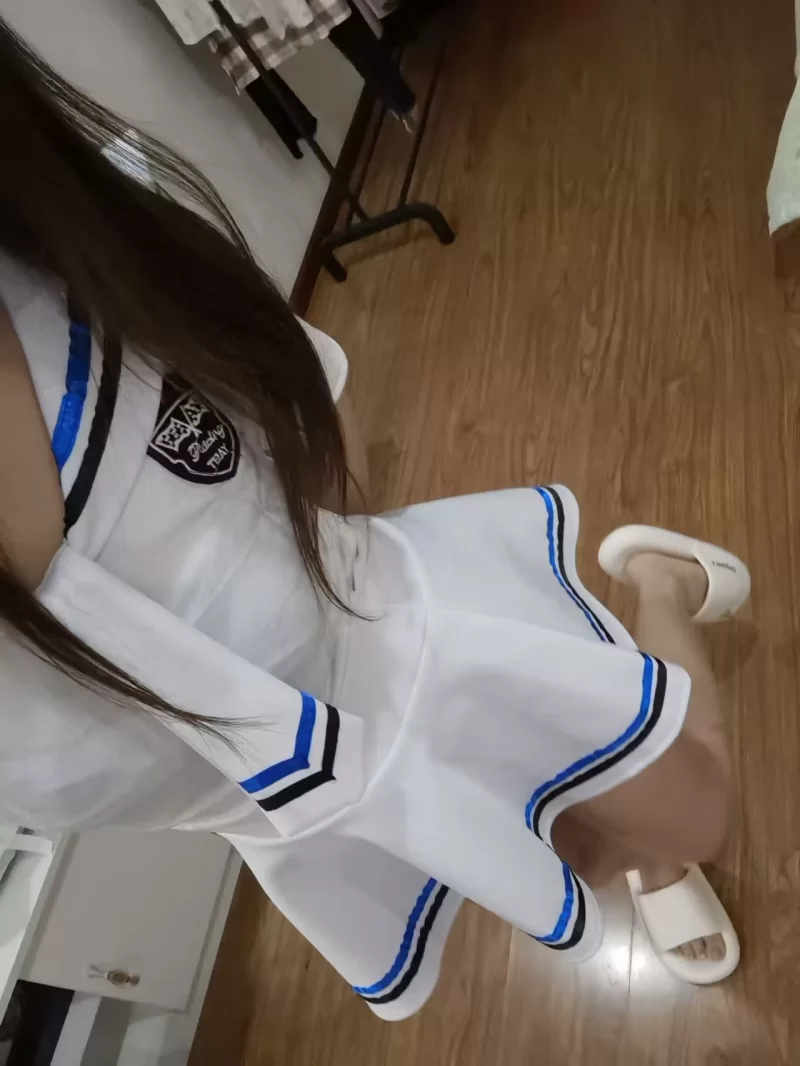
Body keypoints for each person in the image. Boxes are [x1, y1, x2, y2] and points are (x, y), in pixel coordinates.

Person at [0, 17, 747, 1019]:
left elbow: (317, 425)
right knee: (573, 848)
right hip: (316, 816)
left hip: (419, 644)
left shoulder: (72, 255)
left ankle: (660, 583)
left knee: (692, 820)